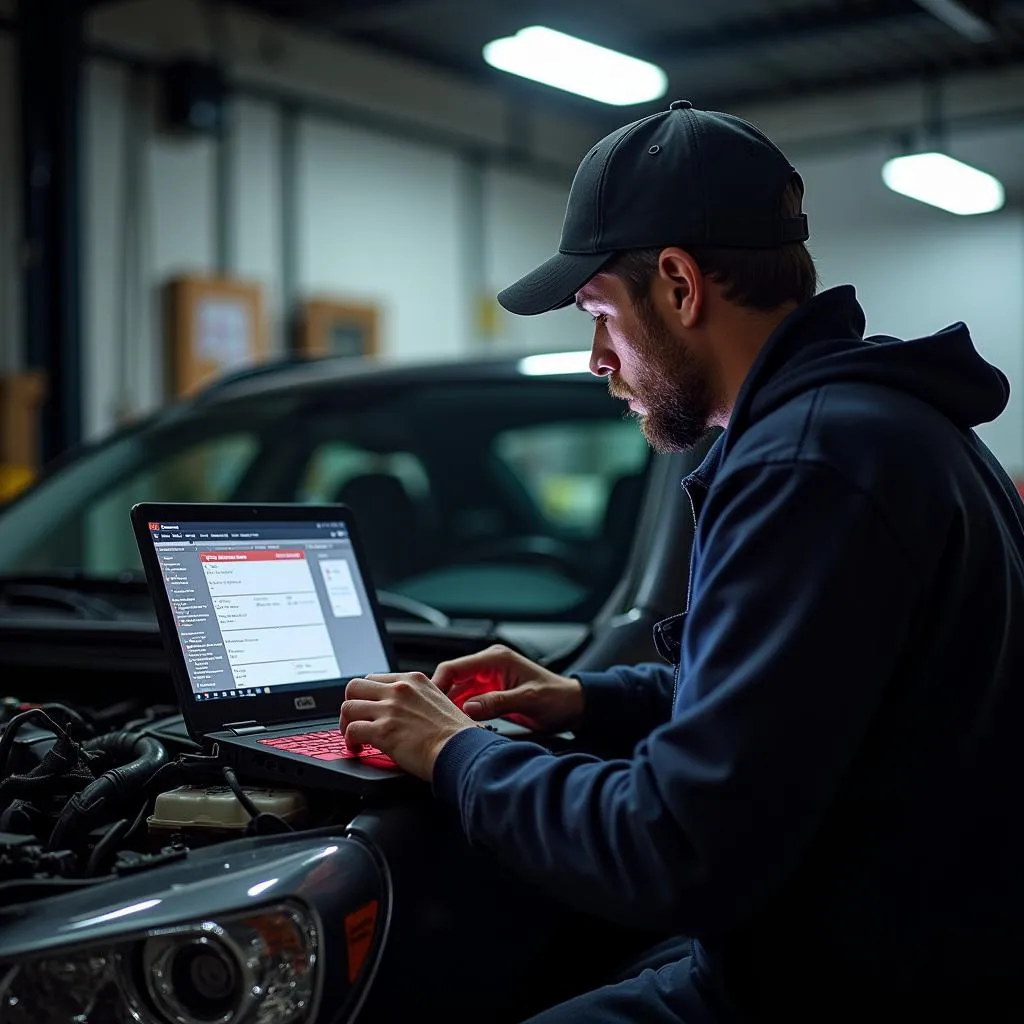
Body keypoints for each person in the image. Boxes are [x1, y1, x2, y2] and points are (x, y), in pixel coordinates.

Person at [340, 100, 1024, 1021]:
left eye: (597, 314)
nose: (596, 359)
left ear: (678, 283)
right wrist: (591, 698)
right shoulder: (878, 429)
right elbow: (811, 708)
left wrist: (452, 752)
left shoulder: (807, 465)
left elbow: (673, 851)